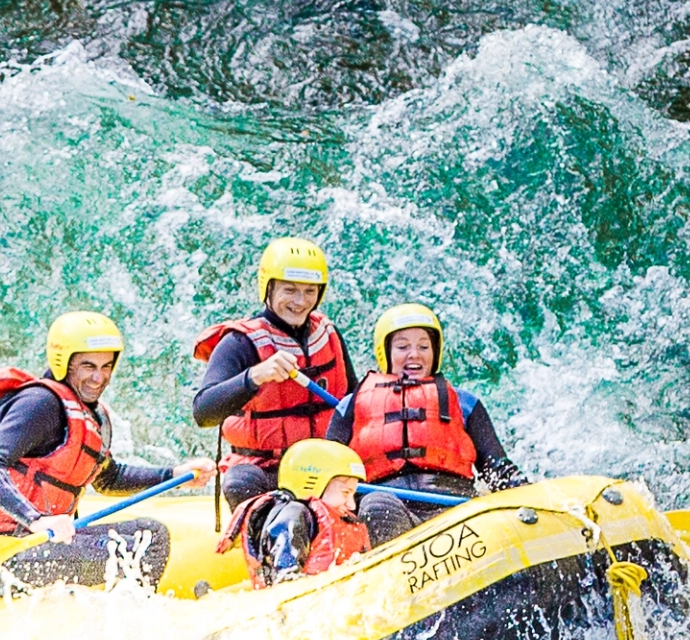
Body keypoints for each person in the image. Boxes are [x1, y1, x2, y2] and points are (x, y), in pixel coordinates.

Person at [0, 310, 189, 593]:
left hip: (41, 542)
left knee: (152, 535)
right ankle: (125, 618)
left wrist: (173, 474)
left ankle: (123, 612)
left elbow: (108, 479)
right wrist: (36, 519)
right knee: (131, 551)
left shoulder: (93, 416)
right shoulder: (38, 404)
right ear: (64, 363)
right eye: (87, 366)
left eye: (106, 366)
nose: (99, 377)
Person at [190, 236, 355, 511]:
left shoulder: (328, 334)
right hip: (265, 470)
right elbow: (203, 412)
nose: (300, 302)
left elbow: (353, 402)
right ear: (268, 287)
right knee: (238, 482)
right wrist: (255, 375)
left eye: (310, 291)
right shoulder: (238, 343)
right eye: (289, 290)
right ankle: (272, 543)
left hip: (325, 470)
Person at [342, 302, 522, 539]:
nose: (414, 354)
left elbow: (496, 468)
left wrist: (527, 494)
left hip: (453, 505)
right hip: (389, 507)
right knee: (376, 506)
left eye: (423, 346)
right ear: (384, 352)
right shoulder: (351, 406)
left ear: (435, 352)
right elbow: (331, 470)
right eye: (402, 346)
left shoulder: (465, 403)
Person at [236, 438, 373, 587]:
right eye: (346, 492)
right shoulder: (294, 514)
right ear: (314, 484)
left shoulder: (343, 518)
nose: (351, 505)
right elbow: (285, 576)